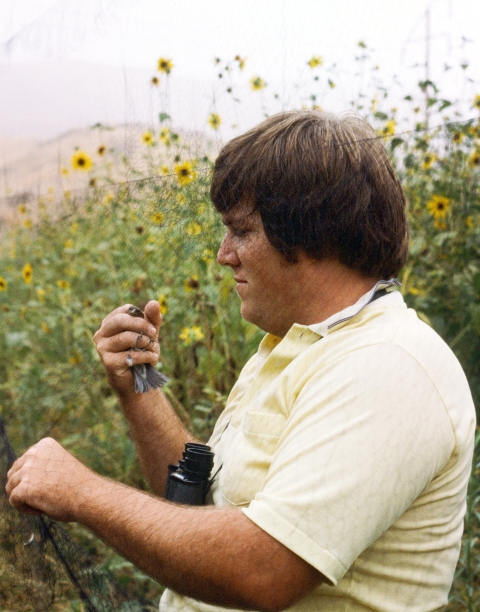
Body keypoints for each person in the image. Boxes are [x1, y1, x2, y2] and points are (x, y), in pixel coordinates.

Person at [6, 111, 476, 612]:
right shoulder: (295, 347)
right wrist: (139, 386)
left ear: (313, 233)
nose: (223, 254)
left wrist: (83, 493)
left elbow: (263, 570)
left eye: (242, 231)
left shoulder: (387, 365)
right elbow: (202, 506)